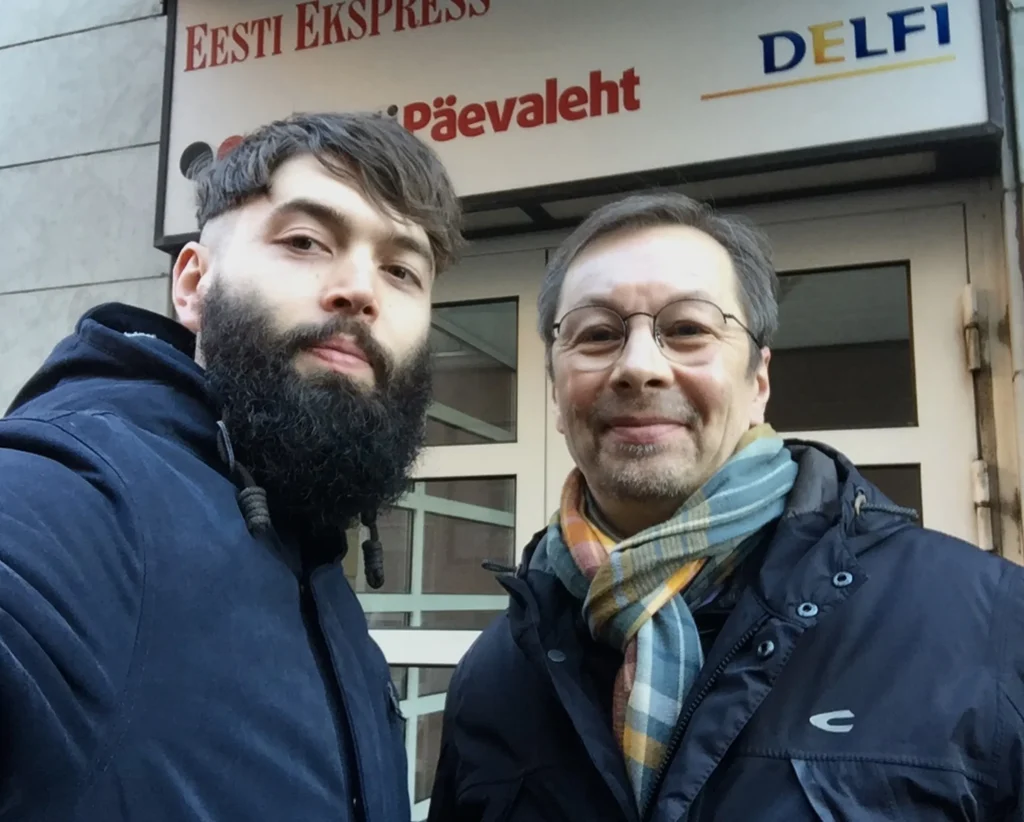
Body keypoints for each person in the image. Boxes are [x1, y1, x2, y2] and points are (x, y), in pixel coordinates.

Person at [428, 192, 1024, 821]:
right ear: (556, 391)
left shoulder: (989, 629)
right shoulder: (495, 677)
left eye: (687, 329)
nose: (638, 366)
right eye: (598, 334)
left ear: (758, 381)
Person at [0, 112, 462, 821]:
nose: (360, 289)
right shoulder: (84, 494)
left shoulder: (312, 562)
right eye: (304, 241)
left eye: (401, 270)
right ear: (193, 283)